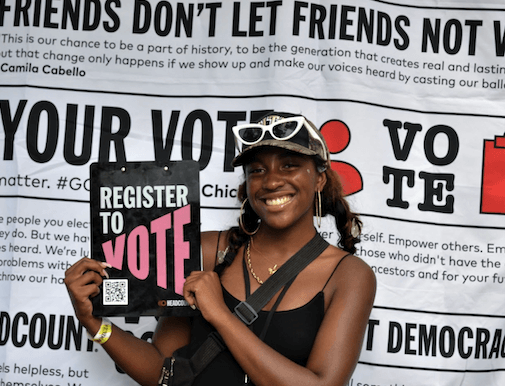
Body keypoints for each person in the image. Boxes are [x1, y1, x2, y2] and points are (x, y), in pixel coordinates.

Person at [65, 112, 376, 386]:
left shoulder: (348, 275)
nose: (270, 182)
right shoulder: (209, 251)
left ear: (320, 179)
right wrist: (95, 324)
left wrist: (221, 315)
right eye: (257, 170)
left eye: (290, 165)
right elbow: (163, 373)